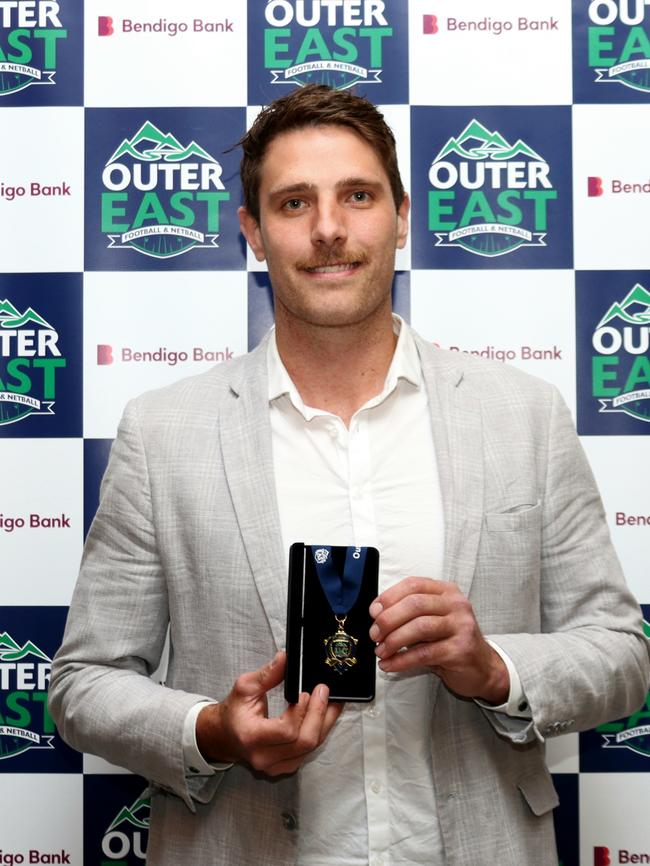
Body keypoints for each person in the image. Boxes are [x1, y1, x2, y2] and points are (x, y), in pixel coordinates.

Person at [49, 85, 649, 866]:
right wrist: (210, 730)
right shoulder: (164, 433)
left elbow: (621, 655)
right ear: (252, 234)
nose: (329, 229)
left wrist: (493, 667)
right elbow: (83, 683)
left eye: (357, 196)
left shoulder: (523, 414)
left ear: (402, 215)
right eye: (294, 203)